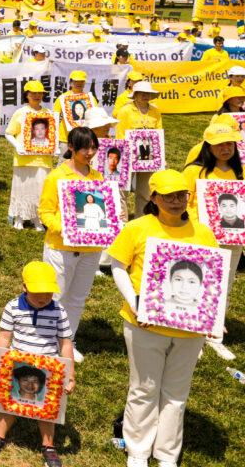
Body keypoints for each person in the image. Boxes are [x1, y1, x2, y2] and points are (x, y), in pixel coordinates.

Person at [108, 169, 219, 467]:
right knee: (144, 387)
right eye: (168, 195)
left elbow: (212, 279)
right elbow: (117, 265)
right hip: (144, 323)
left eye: (181, 194)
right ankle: (138, 451)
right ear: (154, 197)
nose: (176, 201)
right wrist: (134, 303)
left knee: (176, 392)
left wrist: (211, 318)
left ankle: (167, 453)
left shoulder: (204, 233)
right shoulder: (138, 228)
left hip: (188, 330)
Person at [0, 261, 74, 467]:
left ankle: (48, 445)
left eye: (48, 293)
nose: (43, 298)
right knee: (7, 403)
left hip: (48, 367)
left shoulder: (59, 310)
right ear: (24, 287)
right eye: (37, 293)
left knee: (48, 409)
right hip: (17, 364)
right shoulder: (12, 307)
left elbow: (66, 343)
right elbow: (4, 338)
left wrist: (70, 374)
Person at [38, 127, 105, 364]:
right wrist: (65, 228)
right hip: (61, 247)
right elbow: (45, 212)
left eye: (93, 147)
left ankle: (68, 341)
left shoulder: (98, 178)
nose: (90, 153)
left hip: (90, 249)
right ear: (71, 148)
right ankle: (47, 342)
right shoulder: (56, 177)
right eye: (85, 148)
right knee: (57, 296)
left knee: (77, 298)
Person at [180, 120, 242, 360]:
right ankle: (192, 335)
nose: (225, 148)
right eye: (219, 144)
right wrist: (202, 226)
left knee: (224, 285)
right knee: (198, 283)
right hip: (201, 238)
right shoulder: (193, 171)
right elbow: (183, 203)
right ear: (208, 146)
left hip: (232, 240)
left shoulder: (240, 171)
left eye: (229, 144)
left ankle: (215, 335)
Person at [5, 81, 54, 229]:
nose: (37, 96)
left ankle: (37, 218)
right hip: (24, 158)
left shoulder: (48, 114)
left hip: (43, 159)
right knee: (22, 188)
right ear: (27, 94)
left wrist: (54, 147)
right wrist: (18, 145)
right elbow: (8, 133)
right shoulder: (20, 112)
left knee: (40, 189)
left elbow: (52, 135)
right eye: (34, 93)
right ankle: (19, 217)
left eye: (40, 93)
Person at [54, 70, 98, 135]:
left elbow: (96, 116)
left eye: (81, 81)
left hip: (84, 137)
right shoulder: (62, 98)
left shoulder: (90, 99)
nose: (79, 83)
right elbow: (55, 117)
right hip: (65, 138)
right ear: (70, 83)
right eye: (76, 81)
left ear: (84, 83)